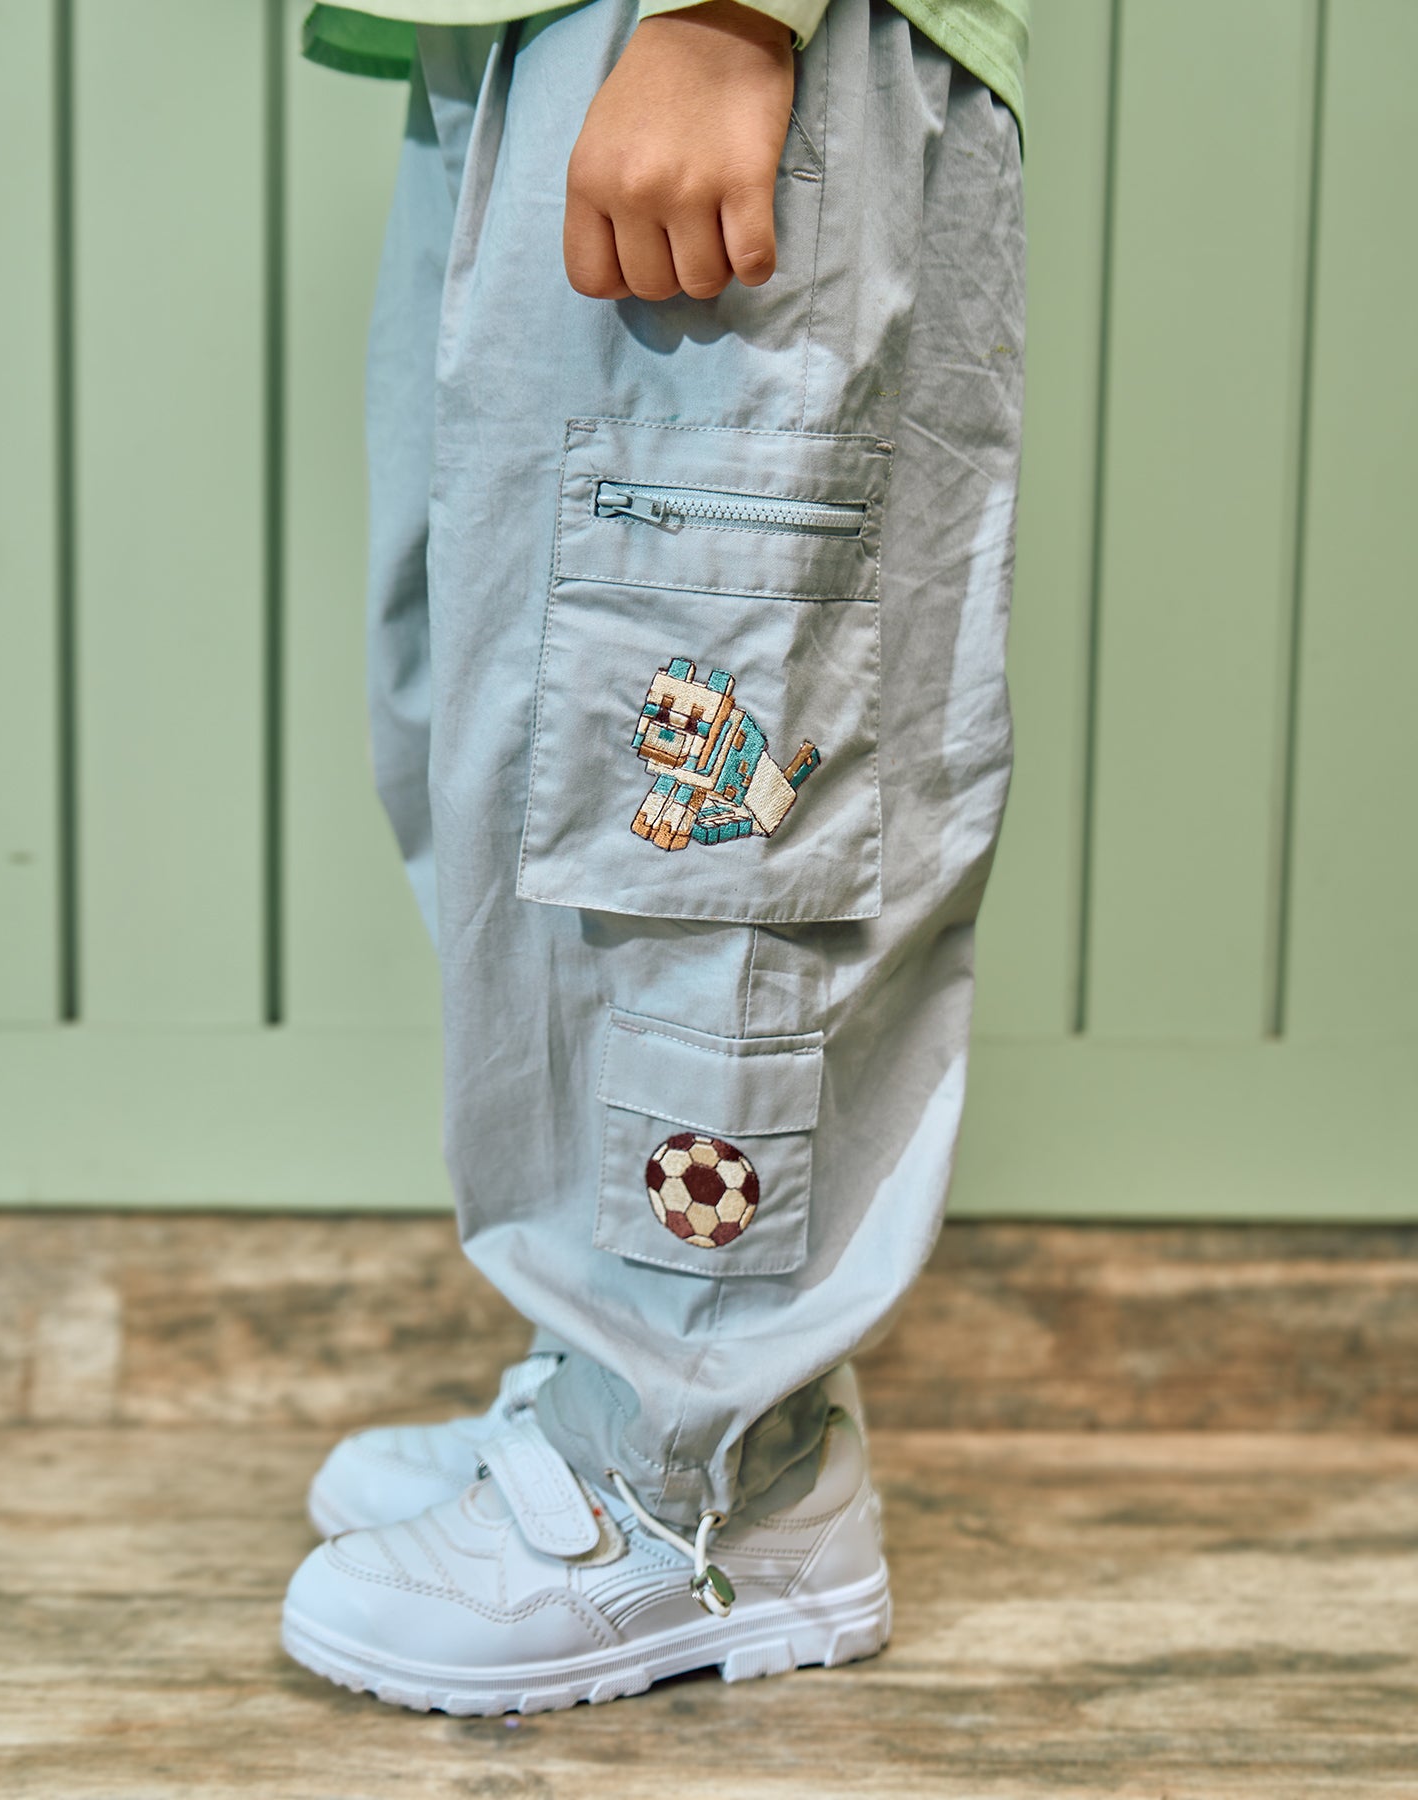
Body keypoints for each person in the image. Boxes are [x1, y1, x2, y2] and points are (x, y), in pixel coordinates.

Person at [282, 0, 1028, 1714]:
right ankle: (612, 1354)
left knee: (709, 799)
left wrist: (729, 18)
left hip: (715, 34)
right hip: (518, 35)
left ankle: (704, 1469)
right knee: (523, 735)